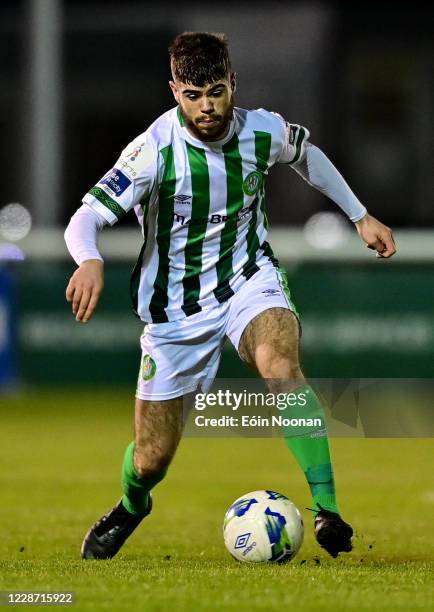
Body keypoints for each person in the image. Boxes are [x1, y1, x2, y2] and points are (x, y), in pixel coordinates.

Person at [64, 32, 396, 561]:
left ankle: (328, 509)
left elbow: (306, 155)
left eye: (216, 92)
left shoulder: (261, 129)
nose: (207, 107)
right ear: (174, 90)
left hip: (248, 278)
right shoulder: (152, 151)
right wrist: (89, 258)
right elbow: (86, 217)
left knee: (280, 364)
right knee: (151, 459)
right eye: (193, 95)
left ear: (232, 83)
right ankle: (131, 505)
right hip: (174, 310)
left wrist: (360, 215)